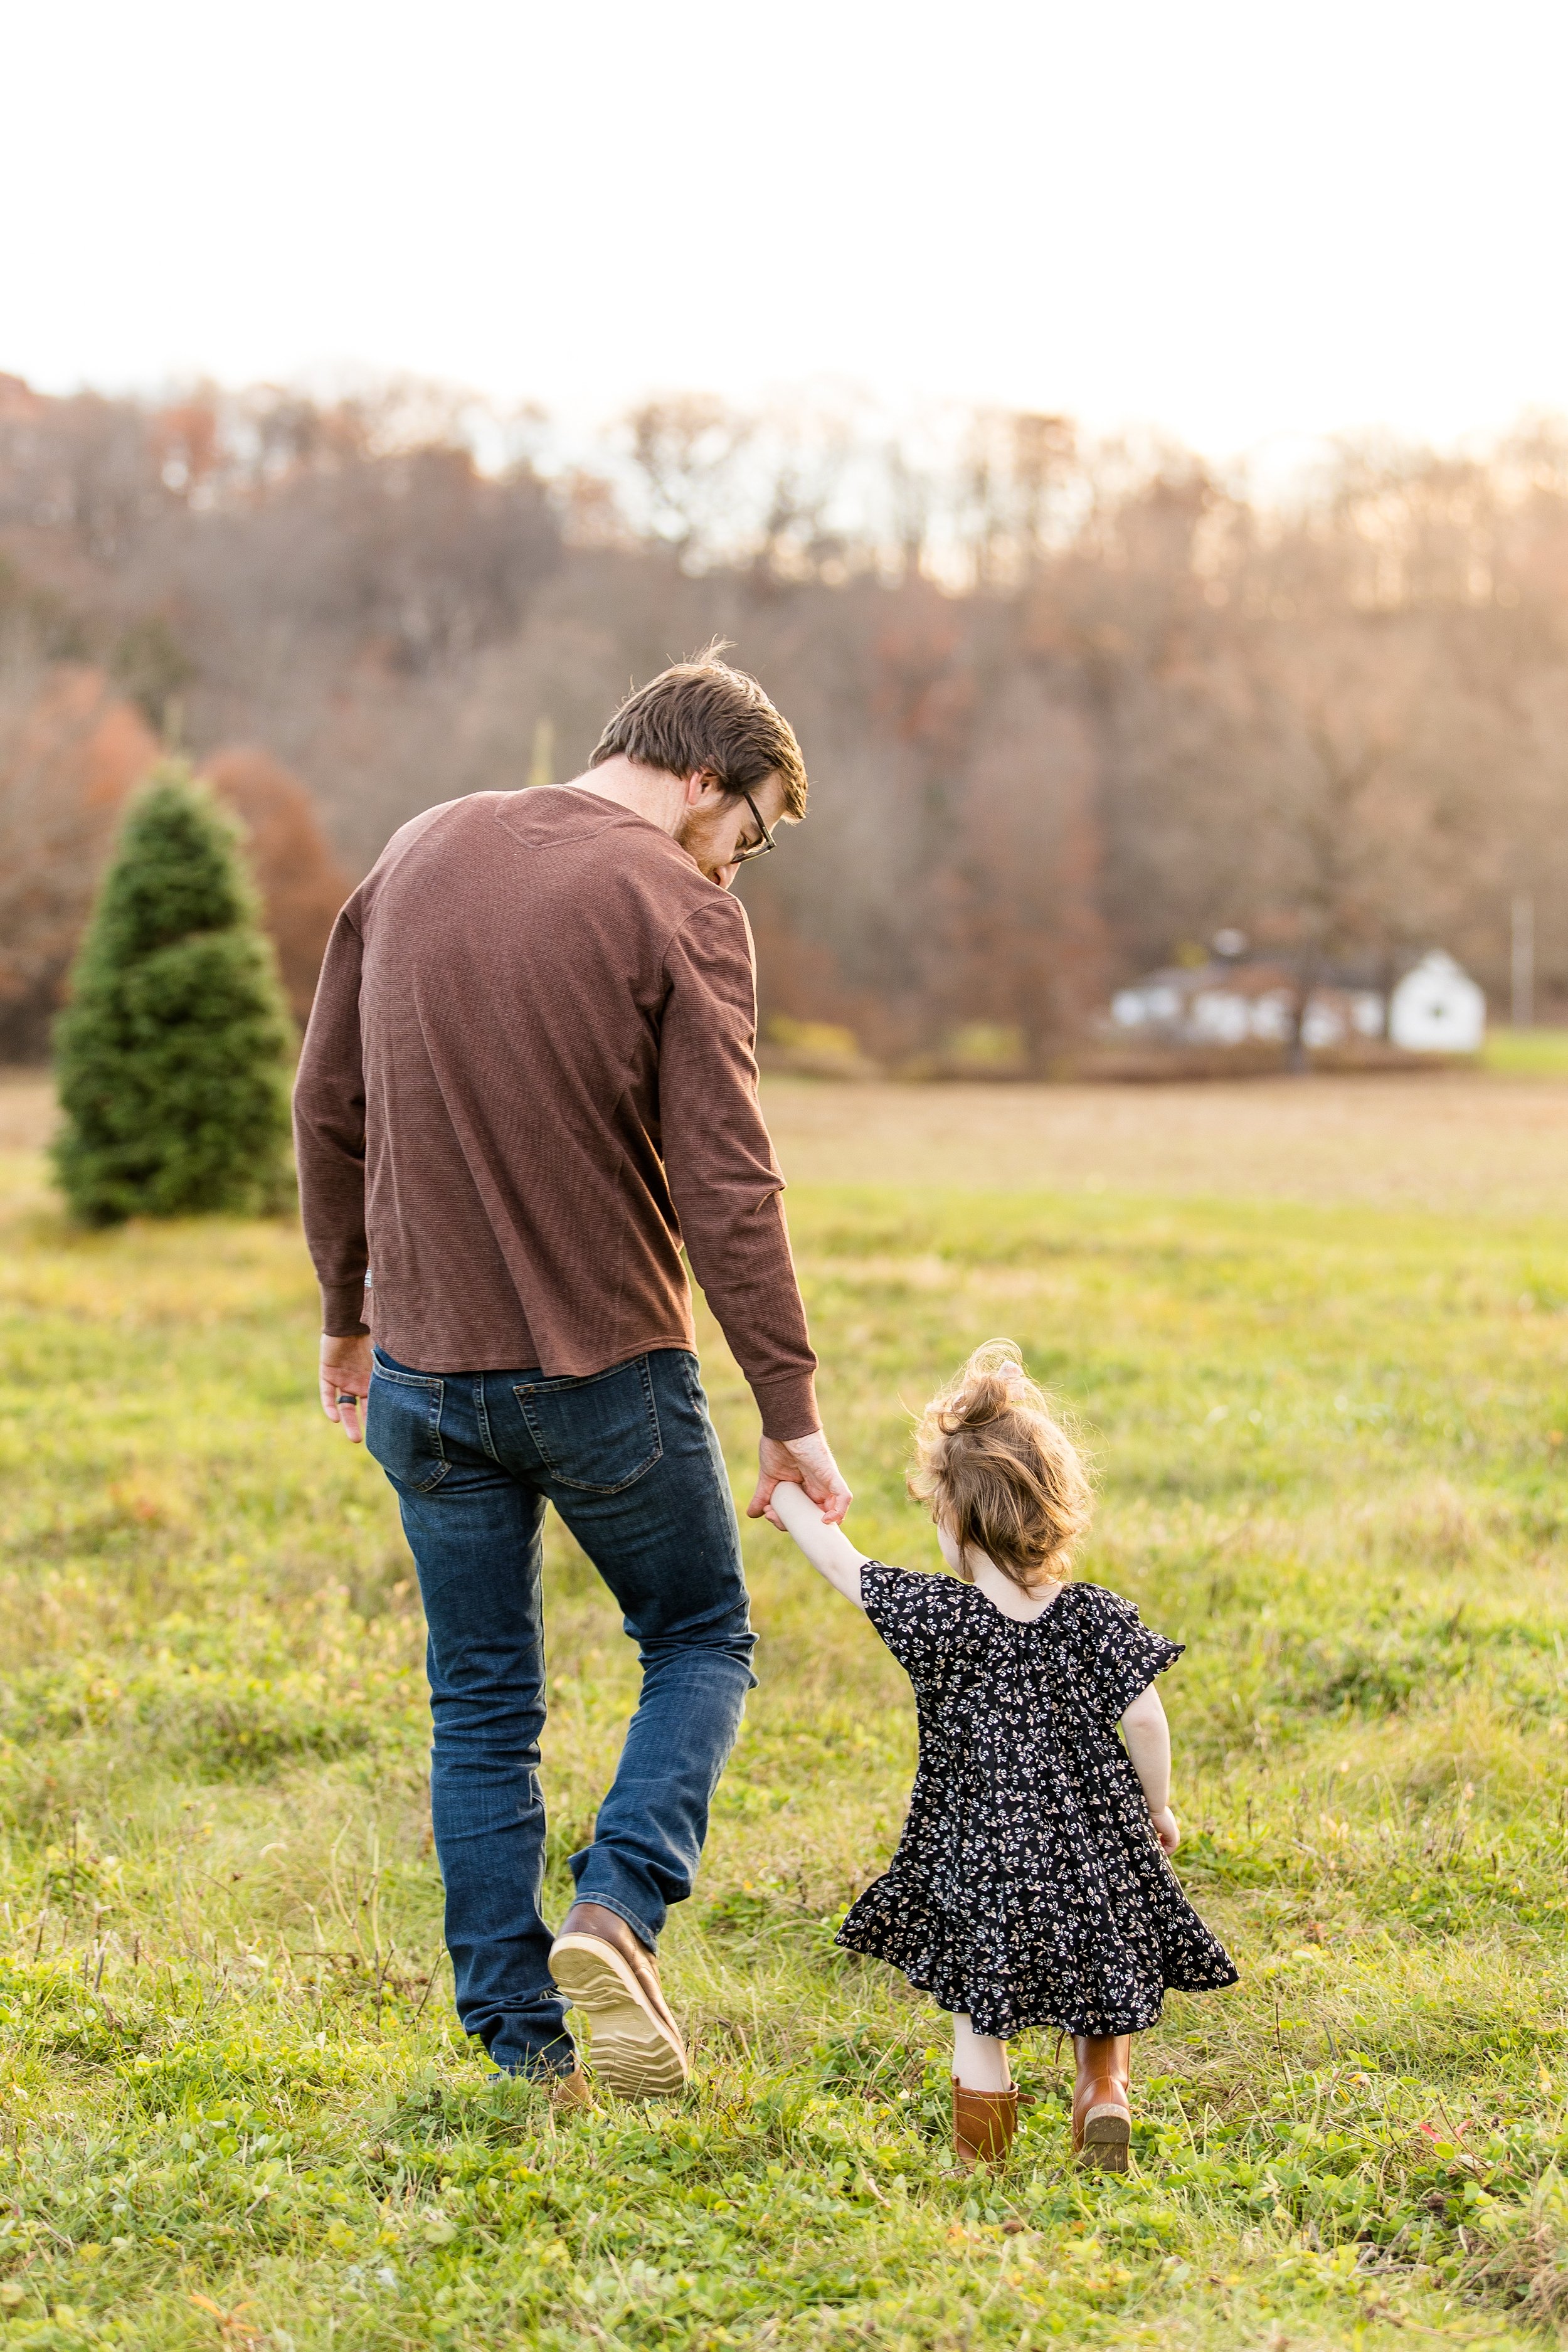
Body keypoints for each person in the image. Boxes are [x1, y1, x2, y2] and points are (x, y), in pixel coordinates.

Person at [293, 653, 851, 2100]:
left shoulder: (416, 848)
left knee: (477, 1704)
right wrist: (790, 1416)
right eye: (758, 828)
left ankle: (524, 2051)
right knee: (700, 1639)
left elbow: (326, 1103)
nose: (746, 861)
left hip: (419, 1373)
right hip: (601, 1370)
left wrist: (344, 1313)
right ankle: (615, 1909)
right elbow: (729, 1190)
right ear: (704, 780)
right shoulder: (678, 905)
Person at [767, 1340, 1236, 2170]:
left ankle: (982, 2165)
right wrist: (1155, 1807)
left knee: (977, 2017)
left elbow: (844, 1565)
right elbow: (1150, 1721)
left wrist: (790, 1501)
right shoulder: (1096, 1616)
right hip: (1093, 1846)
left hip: (982, 1860)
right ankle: (1104, 2092)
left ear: (953, 1519)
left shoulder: (943, 1619)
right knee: (1109, 1966)